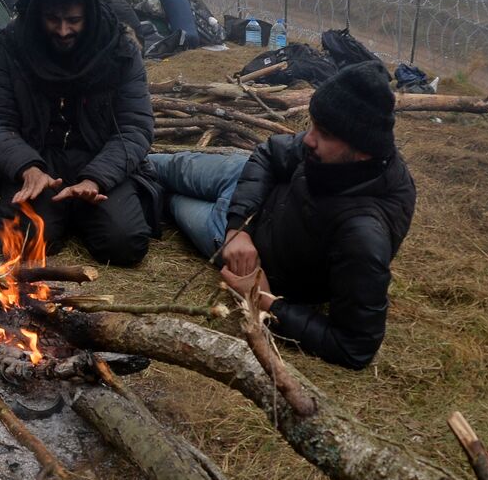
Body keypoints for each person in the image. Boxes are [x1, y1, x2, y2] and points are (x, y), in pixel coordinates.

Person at [150, 62, 416, 369]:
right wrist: (239, 228)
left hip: (230, 239)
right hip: (243, 193)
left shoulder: (363, 235)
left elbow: (354, 347)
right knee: (154, 165)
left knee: (170, 199)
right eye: (313, 125)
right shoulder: (337, 150)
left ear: (363, 151)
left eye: (323, 133)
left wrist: (264, 300)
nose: (307, 139)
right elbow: (268, 154)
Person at [0, 0, 158, 266]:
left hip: (99, 158)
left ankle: (81, 211)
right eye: (53, 20)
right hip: (37, 158)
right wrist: (27, 167)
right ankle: (58, 213)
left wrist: (96, 179)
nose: (64, 30)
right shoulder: (12, 47)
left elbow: (135, 128)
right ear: (38, 15)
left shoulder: (119, 50)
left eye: (73, 20)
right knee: (24, 244)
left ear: (89, 15)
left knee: (125, 244)